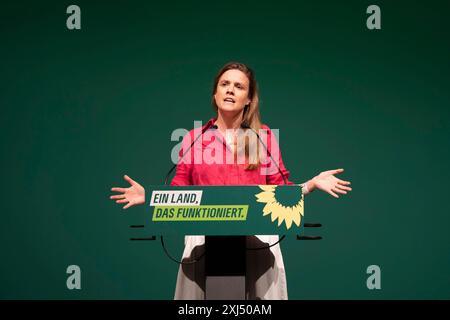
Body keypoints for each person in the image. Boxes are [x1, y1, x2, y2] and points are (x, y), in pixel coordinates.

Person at [110, 62, 352, 299]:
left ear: (249, 98)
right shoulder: (195, 139)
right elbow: (179, 188)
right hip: (204, 243)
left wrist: (311, 184)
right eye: (224, 84)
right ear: (215, 94)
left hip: (257, 245)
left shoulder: (264, 138)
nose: (230, 90)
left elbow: (281, 190)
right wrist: (150, 199)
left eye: (238, 86)